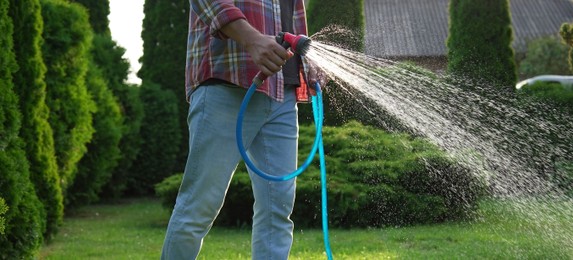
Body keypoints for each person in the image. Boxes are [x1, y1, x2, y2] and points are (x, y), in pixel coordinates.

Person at [161, 0, 324, 259]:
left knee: (277, 211)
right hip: (227, 81)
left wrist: (307, 60)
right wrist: (252, 40)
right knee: (199, 206)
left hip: (282, 91)